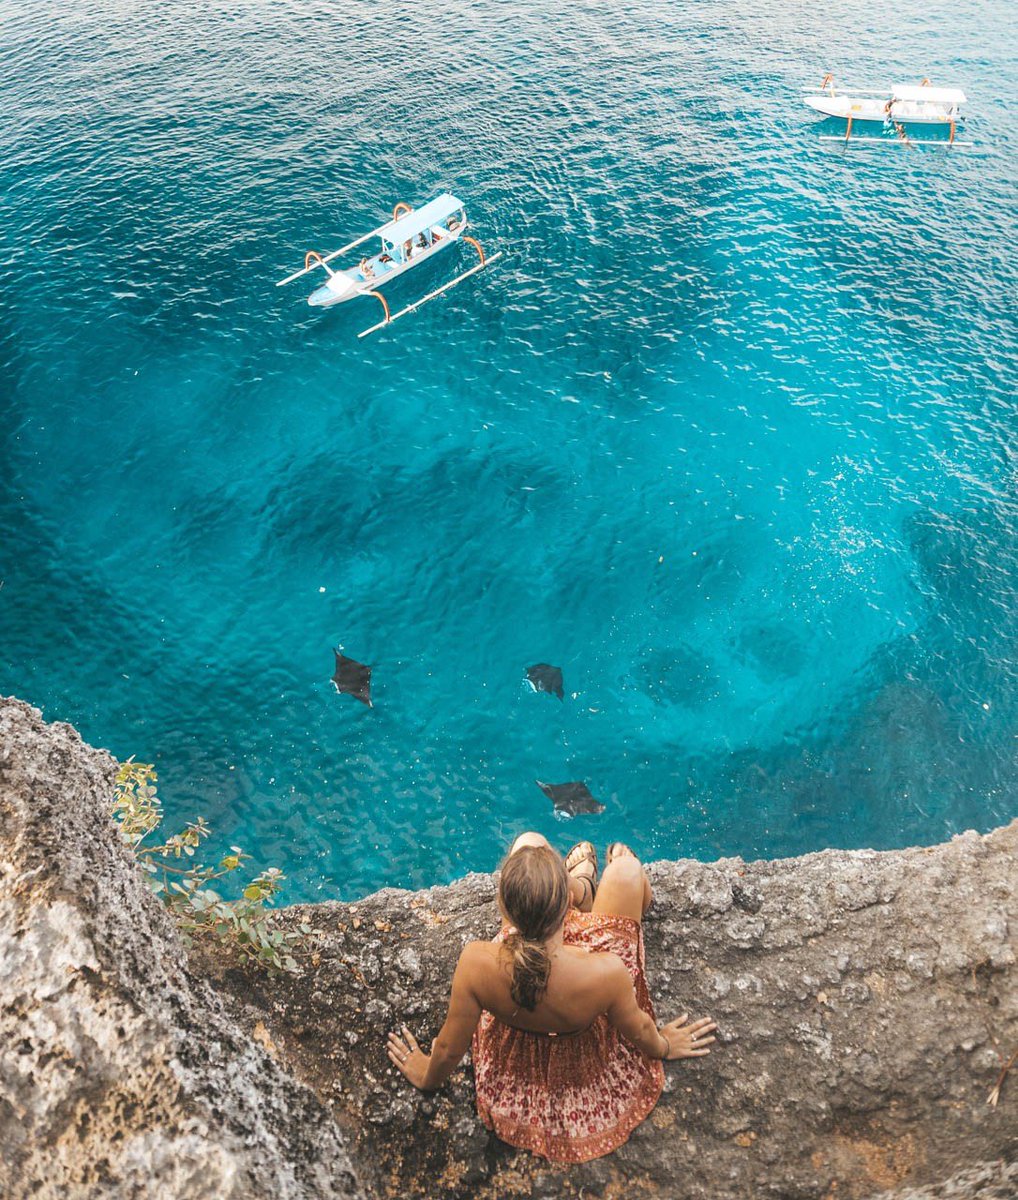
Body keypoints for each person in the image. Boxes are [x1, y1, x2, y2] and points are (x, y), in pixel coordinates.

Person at [387, 835, 717, 1163]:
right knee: (627, 871)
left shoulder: (476, 963)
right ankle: (586, 886)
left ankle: (582, 884)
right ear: (565, 908)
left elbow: (447, 1049)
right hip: (582, 1047)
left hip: (517, 1064)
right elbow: (640, 1030)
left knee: (529, 842)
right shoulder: (605, 972)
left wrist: (426, 1076)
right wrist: (664, 1047)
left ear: (505, 911)